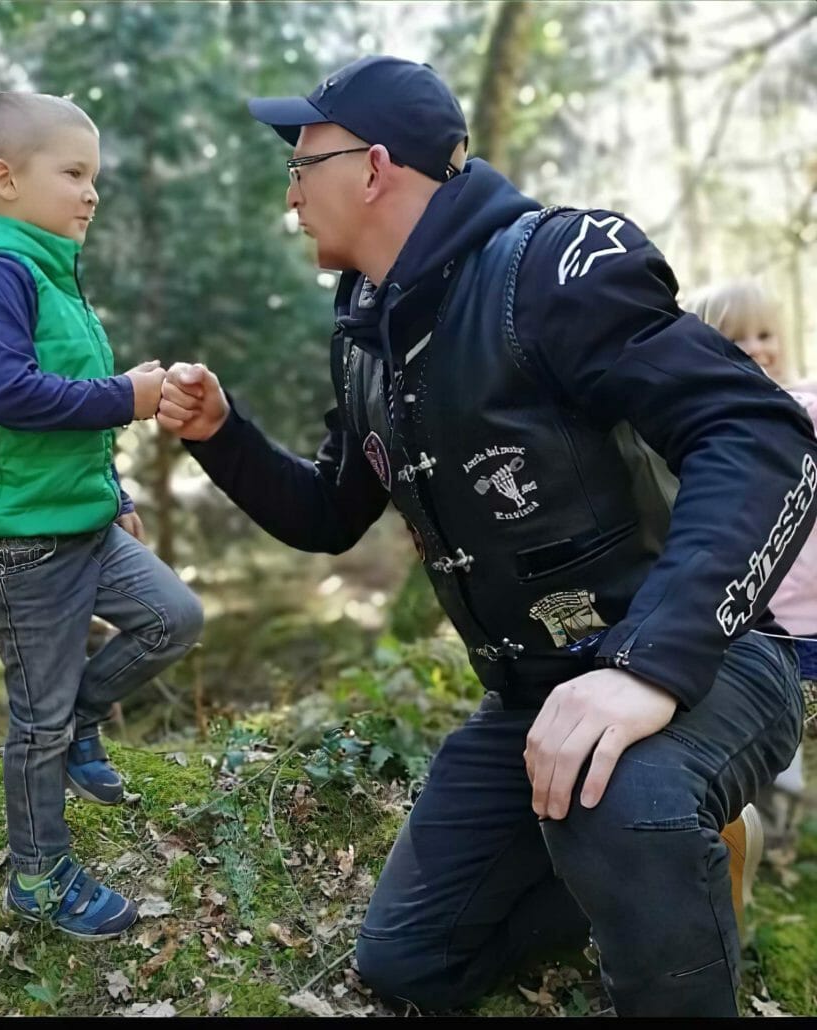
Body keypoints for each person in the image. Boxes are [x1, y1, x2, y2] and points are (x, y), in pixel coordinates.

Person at [155, 56, 817, 1016]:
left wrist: (644, 669)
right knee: (406, 962)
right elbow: (327, 514)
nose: (290, 193)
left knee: (623, 805)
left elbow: (764, 440)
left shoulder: (550, 270)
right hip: (531, 701)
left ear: (374, 168)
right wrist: (223, 436)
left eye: (303, 166)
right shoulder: (367, 335)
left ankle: (663, 863)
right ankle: (662, 868)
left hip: (707, 665)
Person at [0, 92, 203, 940]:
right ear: (4, 179)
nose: (91, 194)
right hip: (22, 542)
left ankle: (85, 719)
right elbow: (11, 396)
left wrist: (114, 493)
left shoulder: (45, 274)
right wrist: (132, 395)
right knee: (36, 719)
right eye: (74, 174)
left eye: (96, 178)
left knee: (173, 617)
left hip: (78, 519)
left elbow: (66, 414)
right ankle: (39, 877)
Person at [684, 279, 817, 857]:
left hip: (813, 608)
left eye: (765, 335)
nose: (757, 348)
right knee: (772, 736)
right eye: (737, 339)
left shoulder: (806, 405)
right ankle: (774, 843)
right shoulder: (705, 427)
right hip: (758, 621)